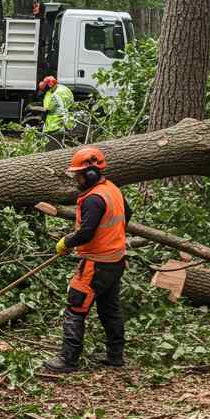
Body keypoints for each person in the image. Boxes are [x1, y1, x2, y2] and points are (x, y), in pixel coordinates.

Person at [44, 147, 128, 373]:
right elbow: (126, 215)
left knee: (76, 306)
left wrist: (66, 242)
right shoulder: (112, 189)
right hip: (116, 260)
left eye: (78, 175)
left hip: (96, 263)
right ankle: (115, 355)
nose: (76, 179)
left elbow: (86, 232)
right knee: (110, 308)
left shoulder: (93, 199)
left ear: (90, 174)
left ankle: (68, 359)